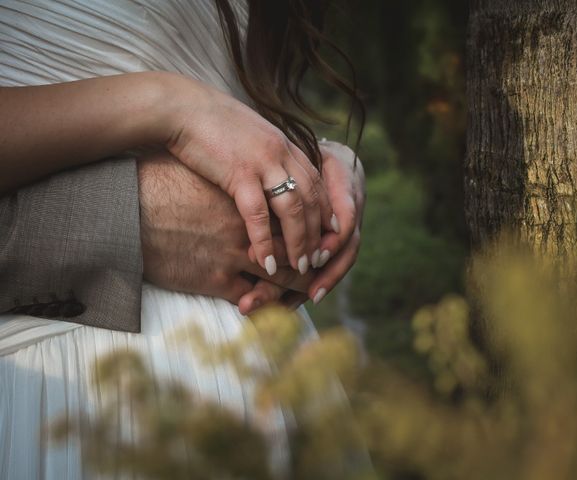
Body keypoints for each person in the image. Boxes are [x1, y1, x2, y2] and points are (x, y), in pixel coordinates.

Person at [0, 1, 366, 478]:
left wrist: (314, 165)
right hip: (63, 393)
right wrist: (165, 103)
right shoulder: (168, 104)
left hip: (269, 378)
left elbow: (230, 92)